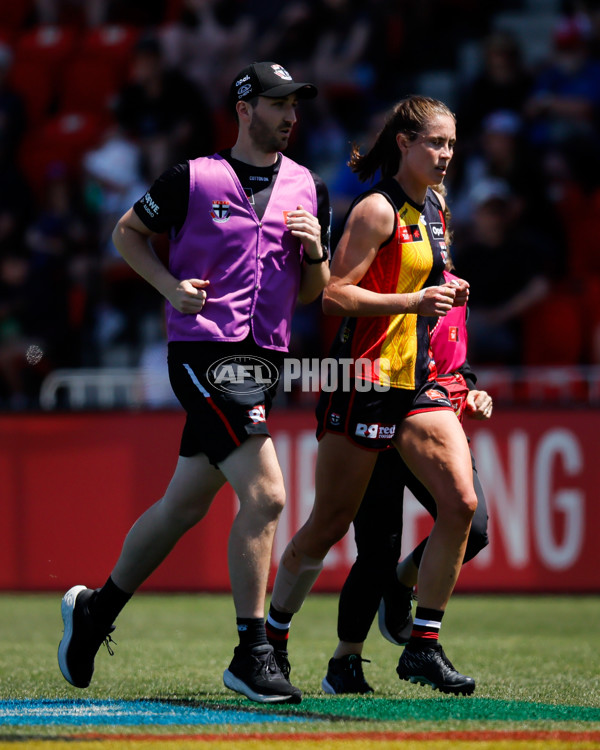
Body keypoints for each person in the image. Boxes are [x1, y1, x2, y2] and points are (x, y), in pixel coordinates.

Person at [57, 61, 331, 705]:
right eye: (277, 103)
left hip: (263, 361)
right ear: (244, 107)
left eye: (295, 105)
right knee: (266, 497)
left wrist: (317, 250)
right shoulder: (192, 176)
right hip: (203, 352)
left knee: (184, 505)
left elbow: (314, 295)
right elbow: (127, 232)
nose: (291, 115)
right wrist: (169, 287)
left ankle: (95, 613)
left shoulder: (307, 185)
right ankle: (251, 652)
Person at [266, 95, 479, 696]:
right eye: (435, 143)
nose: (445, 156)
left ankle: (423, 645)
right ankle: (270, 638)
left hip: (416, 384)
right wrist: (413, 301)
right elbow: (333, 295)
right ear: (404, 143)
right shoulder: (377, 210)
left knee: (461, 505)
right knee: (331, 524)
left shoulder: (435, 208)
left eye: (452, 145)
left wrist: (444, 293)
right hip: (360, 380)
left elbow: (423, 284)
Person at [322, 269, 493, 695]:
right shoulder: (384, 282)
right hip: (382, 413)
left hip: (436, 423)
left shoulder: (456, 288)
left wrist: (471, 390)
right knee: (376, 551)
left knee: (472, 526)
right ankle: (344, 661)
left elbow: (457, 362)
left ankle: (405, 596)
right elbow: (352, 331)